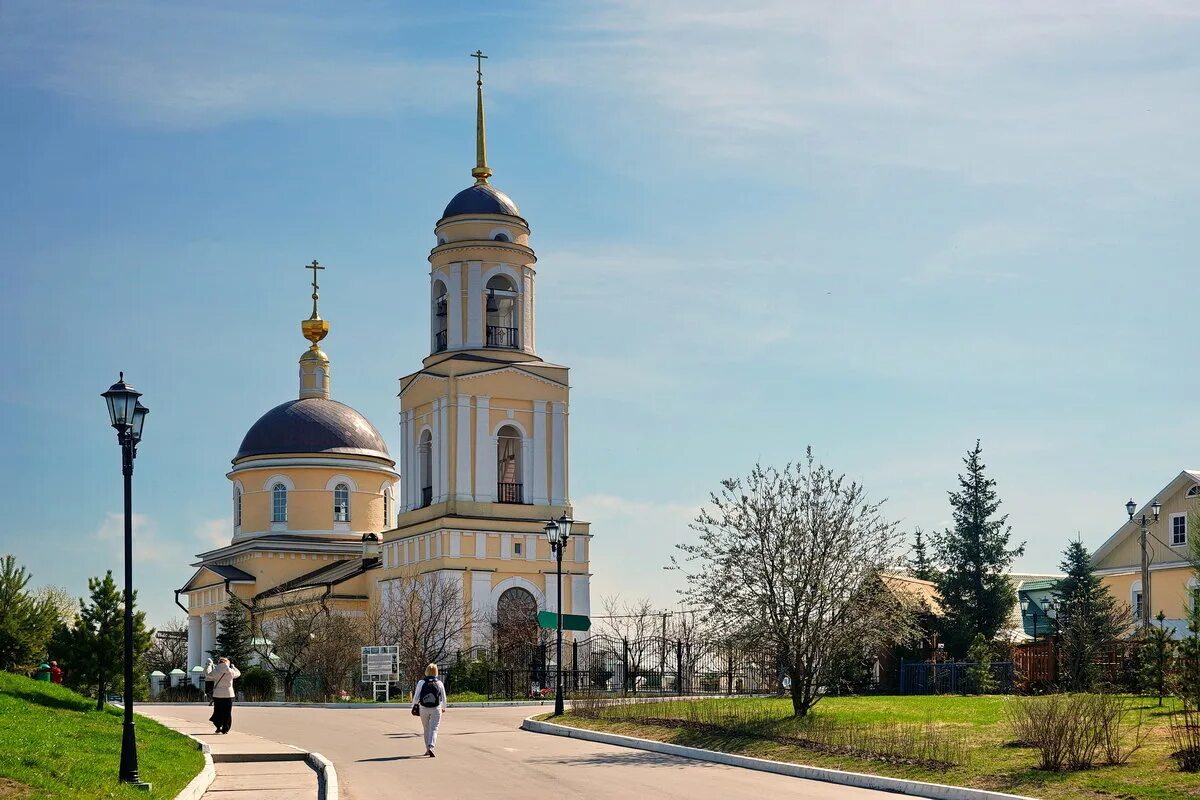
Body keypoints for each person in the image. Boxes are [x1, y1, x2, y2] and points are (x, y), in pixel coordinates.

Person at [412, 663, 447, 757]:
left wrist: (414, 705)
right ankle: (431, 746)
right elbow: (443, 697)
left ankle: (427, 749)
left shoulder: (421, 682)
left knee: (426, 728)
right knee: (434, 728)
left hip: (423, 708)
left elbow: (416, 696)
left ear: (426, 671)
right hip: (436, 708)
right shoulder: (439, 683)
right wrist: (443, 708)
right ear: (436, 672)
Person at [205, 656, 240, 734]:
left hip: (217, 695)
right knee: (227, 712)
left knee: (218, 711)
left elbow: (207, 674)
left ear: (219, 663)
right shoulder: (231, 671)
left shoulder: (216, 671)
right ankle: (225, 728)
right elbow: (238, 674)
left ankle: (218, 726)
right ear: (227, 663)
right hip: (229, 694)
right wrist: (234, 667)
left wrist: (209, 665)